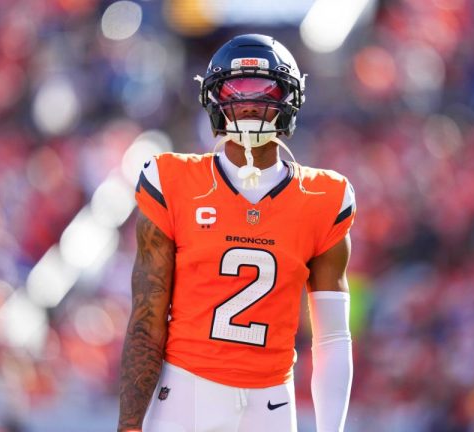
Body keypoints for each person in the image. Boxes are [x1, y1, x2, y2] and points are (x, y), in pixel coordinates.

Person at [117, 34, 356, 432]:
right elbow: (146, 322)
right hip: (186, 396)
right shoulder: (172, 181)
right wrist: (128, 425)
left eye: (266, 91)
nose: (250, 104)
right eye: (236, 90)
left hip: (272, 405)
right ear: (213, 98)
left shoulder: (324, 197)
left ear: (289, 99)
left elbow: (332, 338)